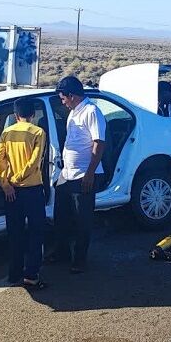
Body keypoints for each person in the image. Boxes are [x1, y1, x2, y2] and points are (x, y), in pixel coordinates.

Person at [52, 76, 106, 273]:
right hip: (67, 173)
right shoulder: (73, 112)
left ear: (72, 96)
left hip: (84, 174)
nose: (62, 102)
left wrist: (90, 173)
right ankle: (62, 253)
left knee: (82, 219)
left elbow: (99, 143)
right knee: (62, 216)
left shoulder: (92, 112)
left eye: (63, 98)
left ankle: (80, 259)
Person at [0, 98, 47, 288]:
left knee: (14, 232)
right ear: (32, 115)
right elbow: (35, 161)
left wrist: (5, 183)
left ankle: (14, 273)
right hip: (32, 189)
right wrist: (19, 178)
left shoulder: (6, 133)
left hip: (11, 192)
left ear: (15, 116)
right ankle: (31, 275)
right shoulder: (38, 132)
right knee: (36, 232)